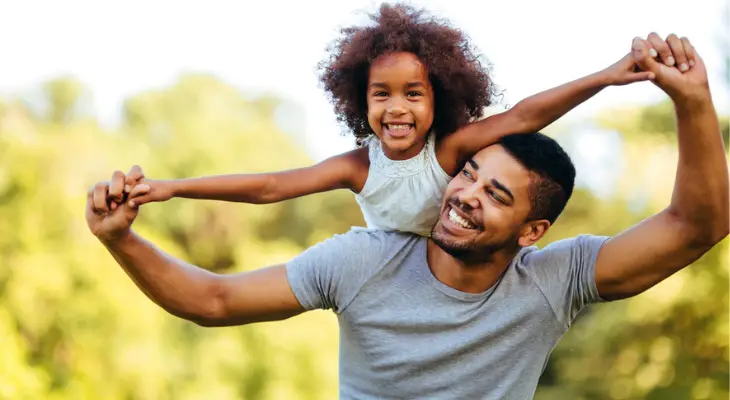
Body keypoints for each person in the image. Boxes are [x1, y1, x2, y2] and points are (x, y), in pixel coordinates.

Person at [86, 34, 728, 399]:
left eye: (498, 196)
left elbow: (696, 227)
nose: (467, 193)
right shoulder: (363, 259)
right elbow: (215, 300)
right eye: (469, 174)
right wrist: (124, 240)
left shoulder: (551, 281)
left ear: (533, 232)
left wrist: (694, 102)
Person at [110, 3, 654, 237]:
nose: (397, 108)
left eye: (413, 94)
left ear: (438, 98)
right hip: (390, 279)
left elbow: (525, 115)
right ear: (359, 101)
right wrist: (173, 187)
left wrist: (604, 77)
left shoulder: (448, 152)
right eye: (381, 95)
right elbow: (272, 186)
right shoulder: (357, 166)